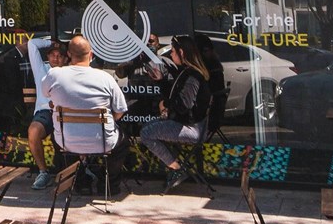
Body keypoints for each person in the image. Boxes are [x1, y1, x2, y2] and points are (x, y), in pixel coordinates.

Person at [41, 35, 129, 196]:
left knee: (56, 136)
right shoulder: (105, 78)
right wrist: (108, 122)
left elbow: (45, 93)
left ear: (68, 54)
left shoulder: (55, 75)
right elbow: (120, 110)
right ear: (91, 55)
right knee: (122, 143)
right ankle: (109, 184)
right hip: (103, 142)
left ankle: (79, 182)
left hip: (66, 142)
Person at [139, 34, 212, 192]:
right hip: (190, 124)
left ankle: (177, 168)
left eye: (173, 51)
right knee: (148, 126)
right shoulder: (188, 72)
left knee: (146, 133)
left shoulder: (193, 76)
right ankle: (175, 166)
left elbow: (183, 105)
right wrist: (161, 81)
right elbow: (176, 98)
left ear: (182, 53)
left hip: (192, 128)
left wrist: (165, 104)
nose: (170, 54)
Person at [26, 36, 66, 189]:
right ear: (47, 56)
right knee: (33, 131)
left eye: (59, 55)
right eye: (52, 54)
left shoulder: (70, 72)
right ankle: (43, 172)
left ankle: (81, 170)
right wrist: (52, 43)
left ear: (65, 58)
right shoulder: (41, 69)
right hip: (45, 112)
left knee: (77, 131)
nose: (56, 58)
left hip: (65, 112)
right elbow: (32, 43)